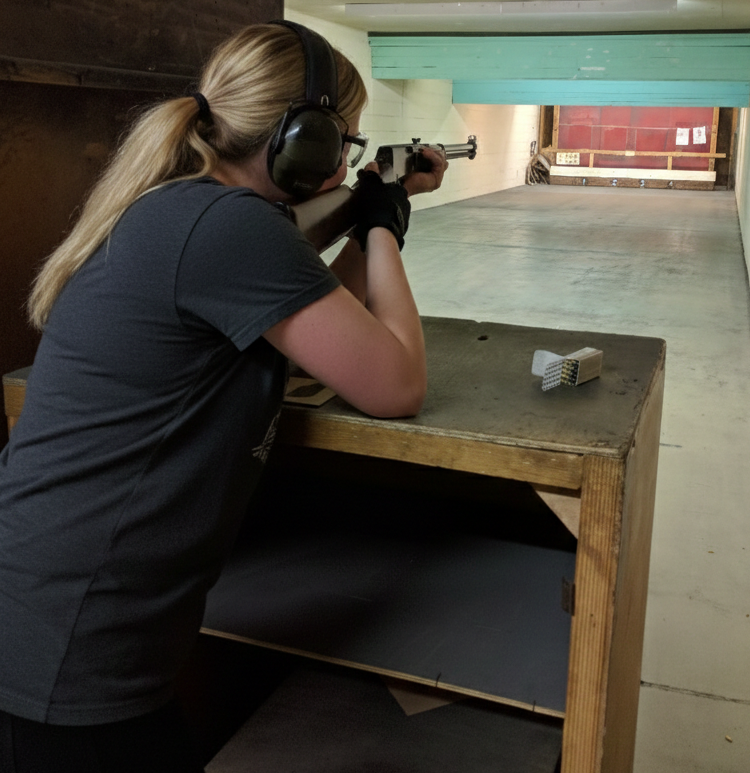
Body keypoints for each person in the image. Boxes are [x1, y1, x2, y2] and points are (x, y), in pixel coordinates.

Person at [0, 19, 447, 773]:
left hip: (58, 630)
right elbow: (395, 382)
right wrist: (384, 230)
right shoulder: (229, 227)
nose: (346, 160)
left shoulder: (186, 208)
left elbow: (314, 327)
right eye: (347, 141)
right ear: (303, 140)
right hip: (66, 658)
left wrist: (372, 219)